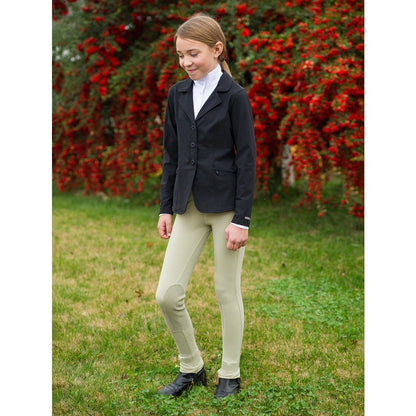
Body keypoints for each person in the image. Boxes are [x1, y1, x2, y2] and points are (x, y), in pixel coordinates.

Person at [155, 14, 256, 400]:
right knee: (167, 293)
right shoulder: (177, 95)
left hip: (227, 209)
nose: (186, 63)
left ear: (217, 50)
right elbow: (172, 154)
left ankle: (229, 373)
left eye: (193, 54)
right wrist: (166, 207)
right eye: (180, 56)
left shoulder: (235, 97)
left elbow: (247, 160)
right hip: (188, 206)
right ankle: (191, 367)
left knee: (225, 291)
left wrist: (242, 220)